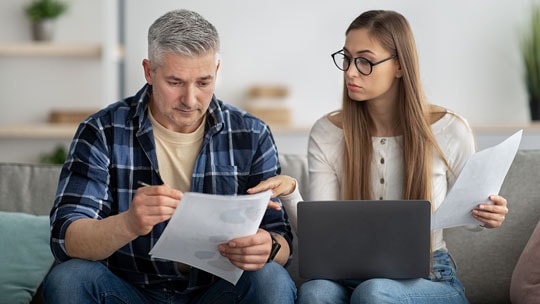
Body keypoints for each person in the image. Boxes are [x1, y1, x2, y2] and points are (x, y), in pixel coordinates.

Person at [249, 10, 509, 303]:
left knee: (374, 292)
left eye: (365, 61)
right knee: (314, 293)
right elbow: (320, 236)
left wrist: (488, 216)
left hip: (429, 275)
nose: (350, 71)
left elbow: (473, 216)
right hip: (349, 273)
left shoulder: (450, 129)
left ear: (399, 65)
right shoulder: (328, 132)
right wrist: (291, 192)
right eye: (346, 58)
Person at [43, 9, 296, 304]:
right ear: (149, 71)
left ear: (216, 70)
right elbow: (66, 237)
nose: (190, 100)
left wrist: (268, 247)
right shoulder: (102, 130)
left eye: (203, 82)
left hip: (218, 292)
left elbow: (281, 240)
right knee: (69, 279)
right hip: (129, 292)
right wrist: (128, 224)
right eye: (175, 82)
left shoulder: (251, 133)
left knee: (271, 277)